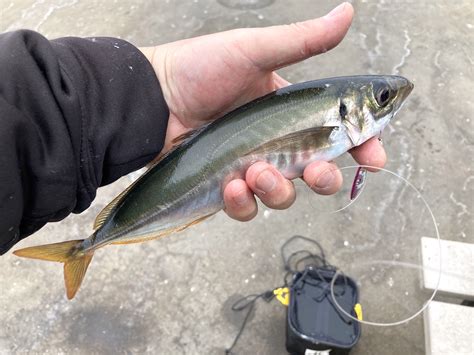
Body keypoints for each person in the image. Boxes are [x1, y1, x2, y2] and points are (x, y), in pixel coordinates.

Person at [0, 2, 385, 255]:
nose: (389, 103)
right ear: (348, 108)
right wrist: (159, 86)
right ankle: (86, 247)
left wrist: (155, 86)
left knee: (240, 188)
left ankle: (89, 245)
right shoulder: (335, 114)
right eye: (382, 98)